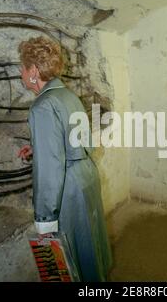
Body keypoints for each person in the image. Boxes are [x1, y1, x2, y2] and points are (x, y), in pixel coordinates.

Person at [16, 36, 112, 281]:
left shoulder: (42, 106)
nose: (21, 72)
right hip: (87, 176)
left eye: (23, 67)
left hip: (67, 189)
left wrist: (44, 217)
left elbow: (50, 170)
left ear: (34, 71)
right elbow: (84, 142)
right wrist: (38, 148)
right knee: (89, 246)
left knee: (67, 260)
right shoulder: (68, 97)